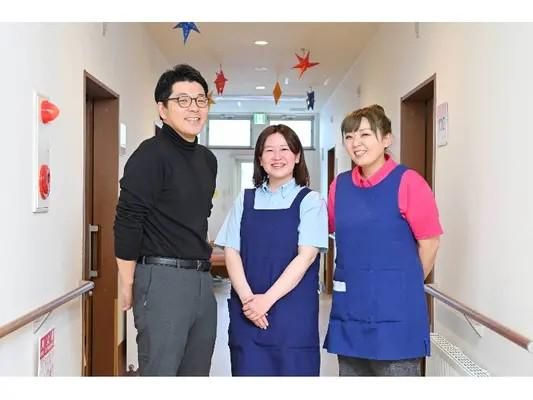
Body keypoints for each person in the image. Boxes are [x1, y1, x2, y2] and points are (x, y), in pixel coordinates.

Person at [113, 64, 217, 376]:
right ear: (163, 109)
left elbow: (198, 218)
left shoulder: (208, 160)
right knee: (161, 373)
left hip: (201, 280)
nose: (194, 108)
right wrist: (128, 283)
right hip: (162, 279)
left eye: (200, 100)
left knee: (196, 374)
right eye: (183, 100)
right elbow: (128, 218)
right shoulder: (151, 154)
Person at [323, 104, 443, 376]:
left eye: (365, 134)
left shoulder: (409, 182)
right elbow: (326, 229)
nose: (356, 143)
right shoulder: (339, 186)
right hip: (351, 311)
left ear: (387, 139)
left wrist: (401, 287)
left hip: (397, 317)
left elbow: (430, 244)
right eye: (349, 136)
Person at [215, 124, 328, 376]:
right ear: (260, 158)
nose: (277, 157)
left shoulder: (311, 201)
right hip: (247, 313)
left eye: (284, 149)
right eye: (269, 150)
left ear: (297, 156)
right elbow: (231, 251)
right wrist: (249, 302)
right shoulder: (245, 200)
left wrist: (265, 301)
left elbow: (306, 257)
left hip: (293, 316)